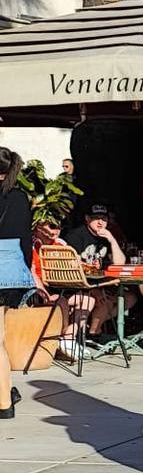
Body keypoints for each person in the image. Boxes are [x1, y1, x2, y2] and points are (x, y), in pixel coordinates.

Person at [58, 204, 126, 348]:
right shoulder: (75, 236)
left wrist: (112, 240)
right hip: (78, 287)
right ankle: (83, 335)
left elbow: (120, 264)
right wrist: (94, 291)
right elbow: (69, 268)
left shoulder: (106, 236)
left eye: (104, 219)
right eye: (96, 219)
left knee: (130, 298)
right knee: (102, 302)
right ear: (87, 219)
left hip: (100, 285)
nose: (100, 222)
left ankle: (93, 330)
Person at [0, 147, 32, 421]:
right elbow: (25, 240)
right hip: (11, 268)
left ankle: (4, 399)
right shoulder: (21, 198)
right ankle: (5, 394)